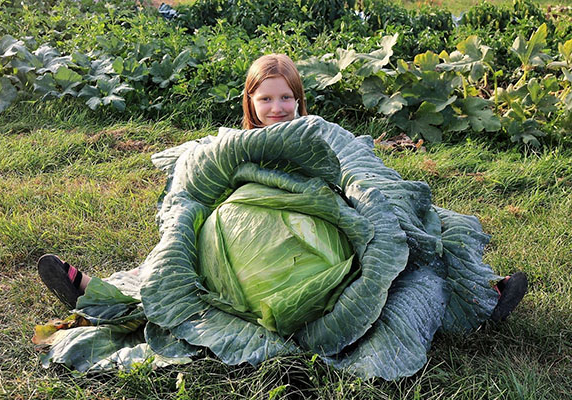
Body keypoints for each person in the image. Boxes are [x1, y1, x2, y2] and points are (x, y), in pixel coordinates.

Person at [38, 53, 527, 321]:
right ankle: (94, 291)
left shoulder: (318, 132)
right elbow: (190, 195)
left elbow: (362, 176)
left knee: (427, 232)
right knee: (171, 259)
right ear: (250, 100)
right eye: (267, 98)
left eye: (287, 97)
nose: (278, 107)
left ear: (299, 99)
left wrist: (365, 202)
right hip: (229, 253)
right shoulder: (231, 146)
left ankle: (481, 292)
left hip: (341, 232)